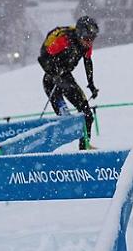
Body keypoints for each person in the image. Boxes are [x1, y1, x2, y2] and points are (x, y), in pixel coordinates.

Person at [38, 15, 100, 150]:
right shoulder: (64, 40)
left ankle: (84, 147)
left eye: (92, 39)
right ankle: (47, 147)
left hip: (66, 78)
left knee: (87, 114)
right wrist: (54, 73)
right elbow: (42, 58)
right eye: (87, 39)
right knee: (65, 118)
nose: (89, 42)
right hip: (51, 80)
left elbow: (88, 62)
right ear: (79, 34)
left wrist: (91, 84)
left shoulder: (86, 44)